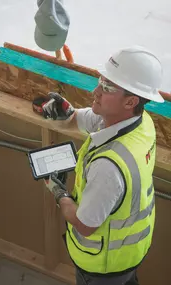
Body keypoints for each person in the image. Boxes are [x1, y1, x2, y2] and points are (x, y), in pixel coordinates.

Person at [43, 46, 164, 285]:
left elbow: (84, 225)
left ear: (131, 101)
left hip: (104, 266)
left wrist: (59, 193)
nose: (96, 91)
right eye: (101, 81)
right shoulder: (142, 123)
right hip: (129, 252)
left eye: (107, 87)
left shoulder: (108, 168)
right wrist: (68, 113)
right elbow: (83, 119)